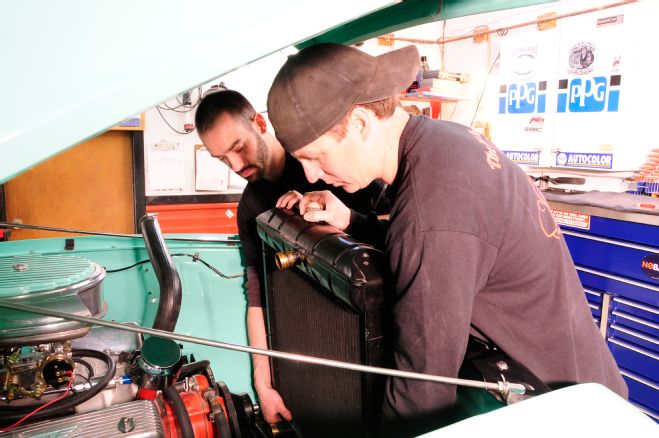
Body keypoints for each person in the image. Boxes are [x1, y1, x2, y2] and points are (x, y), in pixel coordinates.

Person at [266, 43, 627, 435]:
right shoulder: (443, 144)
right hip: (584, 385)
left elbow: (423, 384)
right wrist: (353, 220)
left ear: (360, 122)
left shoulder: (432, 206)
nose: (312, 176)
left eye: (316, 156)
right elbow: (441, 247)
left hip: (564, 415)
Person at [194, 89, 389, 424]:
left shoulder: (324, 157)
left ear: (259, 122)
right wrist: (263, 386)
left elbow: (396, 230)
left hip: (382, 335)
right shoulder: (251, 208)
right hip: (324, 339)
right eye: (223, 160)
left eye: (239, 148)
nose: (237, 166)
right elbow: (256, 296)